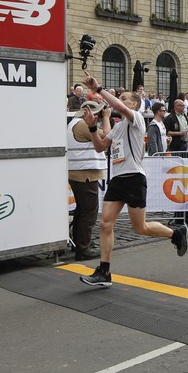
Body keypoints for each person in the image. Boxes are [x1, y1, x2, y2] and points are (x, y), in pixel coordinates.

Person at [77, 73, 188, 287]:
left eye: (124, 98)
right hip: (118, 179)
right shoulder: (119, 127)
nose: (120, 100)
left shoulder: (136, 118)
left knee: (140, 228)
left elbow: (120, 107)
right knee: (105, 223)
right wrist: (92, 127)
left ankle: (176, 234)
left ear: (133, 104)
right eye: (120, 97)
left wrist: (99, 89)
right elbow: (100, 147)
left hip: (134, 178)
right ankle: (104, 272)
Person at [67, 99, 109, 261]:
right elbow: (107, 137)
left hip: (79, 172)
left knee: (82, 210)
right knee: (89, 212)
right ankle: (83, 248)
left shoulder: (74, 123)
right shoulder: (83, 125)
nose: (98, 116)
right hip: (85, 173)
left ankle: (79, 244)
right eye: (97, 113)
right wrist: (107, 118)